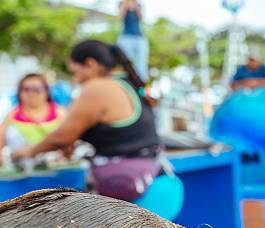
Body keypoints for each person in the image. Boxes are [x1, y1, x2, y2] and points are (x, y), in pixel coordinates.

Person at [12, 40, 162, 202]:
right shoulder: (127, 83)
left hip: (125, 178)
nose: (76, 80)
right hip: (151, 170)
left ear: (90, 65)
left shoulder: (98, 87)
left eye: (76, 73)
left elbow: (62, 136)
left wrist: (27, 152)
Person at [0, 74, 66, 154]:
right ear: (19, 92)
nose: (31, 93)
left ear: (46, 91)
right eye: (26, 89)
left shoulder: (61, 112)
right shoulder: (10, 116)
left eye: (36, 89)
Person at [117, 0, 149, 81]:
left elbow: (141, 18)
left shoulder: (138, 4)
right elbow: (120, 17)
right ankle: (126, 80)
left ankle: (141, 82)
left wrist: (136, 6)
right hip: (125, 36)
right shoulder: (122, 3)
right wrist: (125, 4)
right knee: (125, 60)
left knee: (141, 63)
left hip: (139, 36)